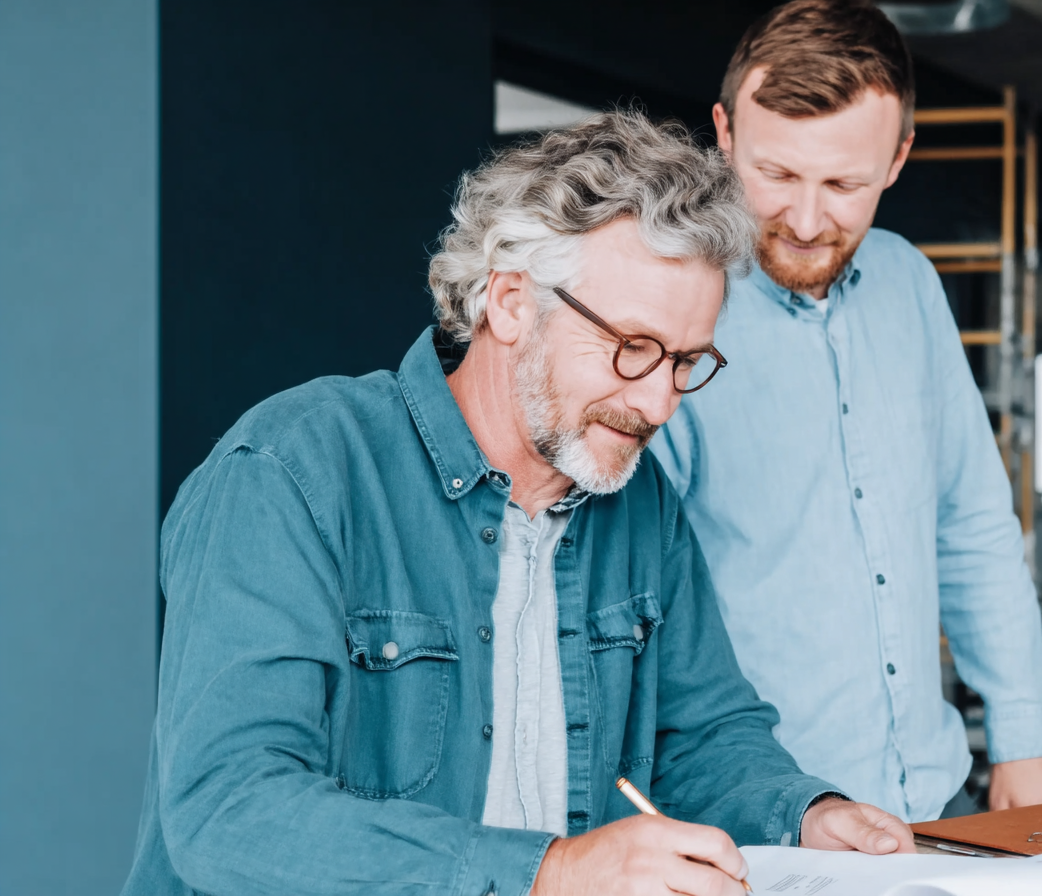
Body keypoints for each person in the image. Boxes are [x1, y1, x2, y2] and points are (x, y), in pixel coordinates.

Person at [123, 111, 915, 896]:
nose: (658, 403)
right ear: (508, 302)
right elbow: (229, 810)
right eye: (632, 348)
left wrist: (804, 814)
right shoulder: (293, 472)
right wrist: (552, 873)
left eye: (684, 361)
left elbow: (701, 733)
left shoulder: (641, 505)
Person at [649, 0, 1042, 822]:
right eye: (777, 176)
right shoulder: (665, 310)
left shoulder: (911, 285)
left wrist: (1027, 738)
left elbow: (971, 526)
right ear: (725, 134)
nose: (807, 221)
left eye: (843, 184)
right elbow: (624, 593)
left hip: (931, 806)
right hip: (754, 825)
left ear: (899, 157)